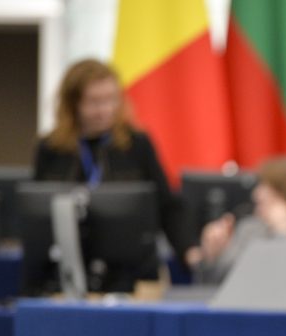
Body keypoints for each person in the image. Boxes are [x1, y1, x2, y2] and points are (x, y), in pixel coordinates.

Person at [32, 58, 198, 288]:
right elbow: (36, 214)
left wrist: (188, 250)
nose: (104, 110)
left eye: (110, 100)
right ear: (73, 104)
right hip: (67, 271)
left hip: (132, 271)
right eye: (94, 102)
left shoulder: (136, 144)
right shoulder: (51, 148)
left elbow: (167, 205)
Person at [191, 156, 286, 285]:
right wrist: (212, 256)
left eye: (267, 187)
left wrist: (284, 235)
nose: (256, 195)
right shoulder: (250, 229)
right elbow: (217, 284)